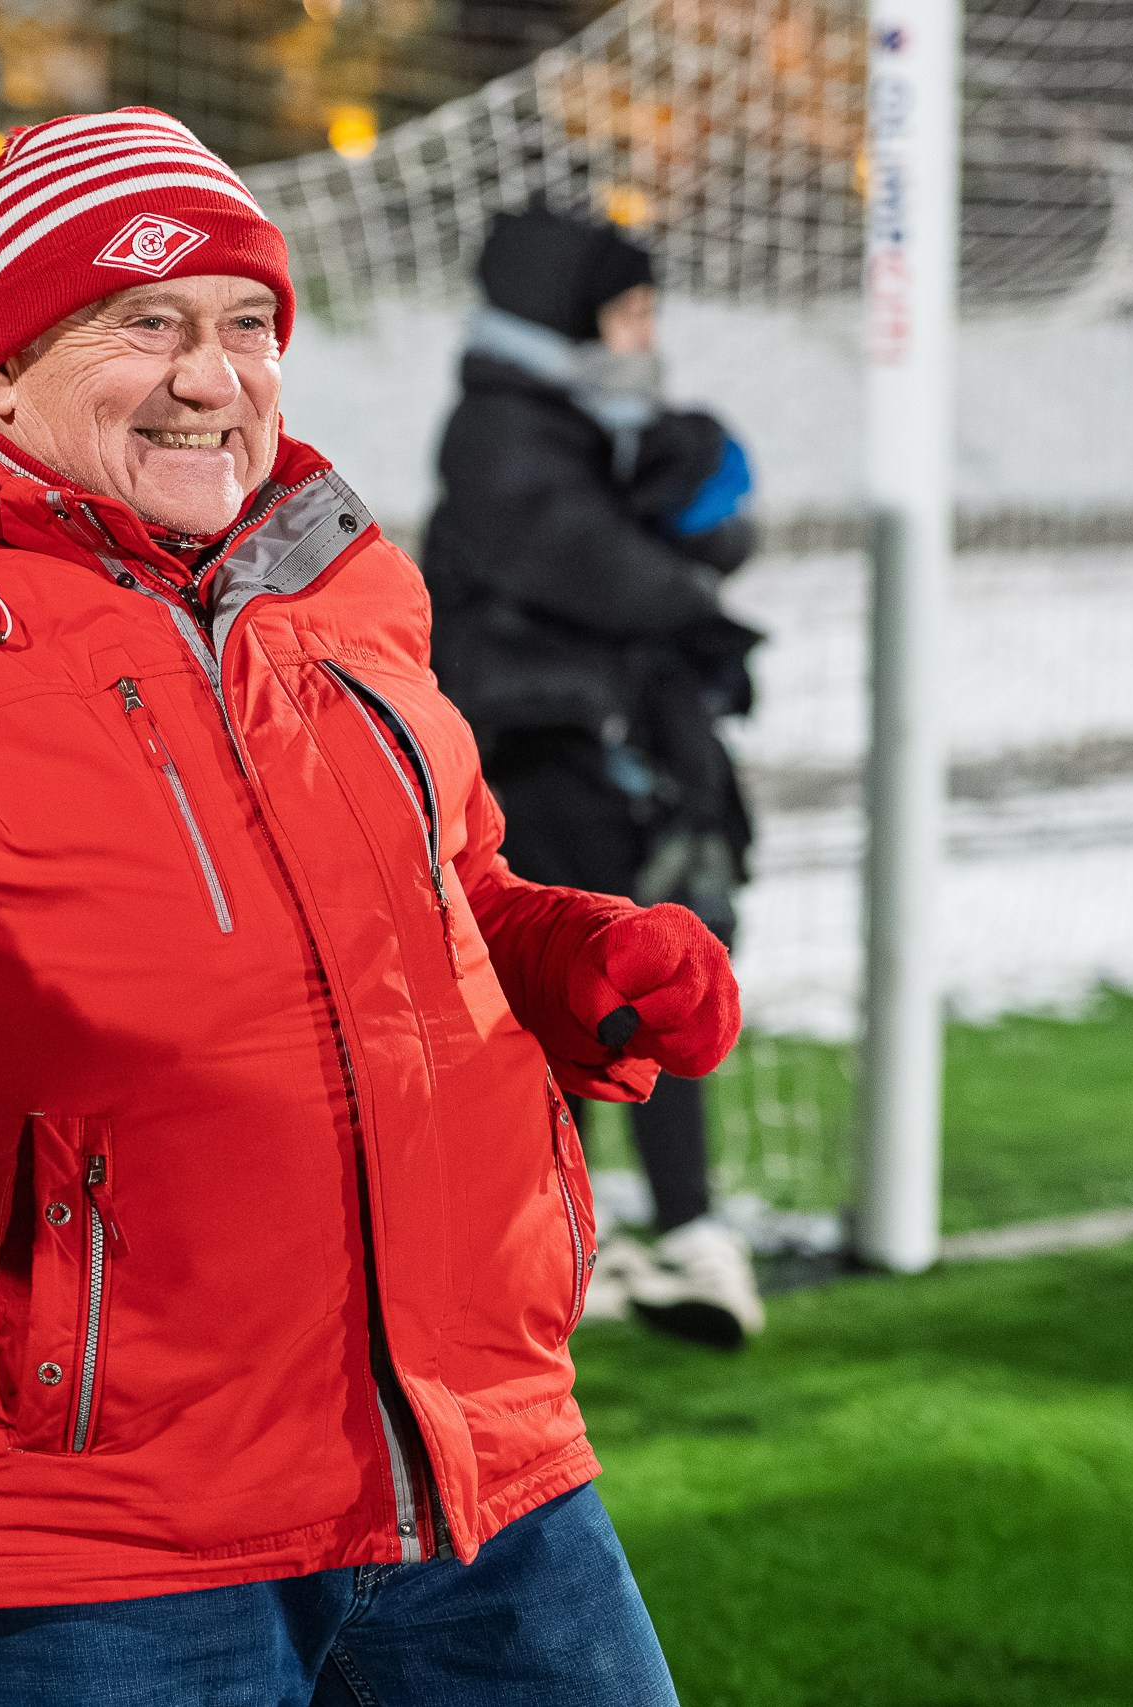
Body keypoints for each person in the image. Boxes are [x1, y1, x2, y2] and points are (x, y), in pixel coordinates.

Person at [0, 110, 739, 1705]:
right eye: (148, 323)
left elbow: (452, 891)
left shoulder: (337, 574)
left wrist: (571, 957)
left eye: (250, 324)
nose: (216, 375)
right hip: (116, 1539)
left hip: (485, 1465)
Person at [422, 209, 768, 1351]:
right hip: (536, 761)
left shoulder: (601, 424)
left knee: (651, 975)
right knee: (576, 994)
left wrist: (704, 491)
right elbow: (613, 575)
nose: (645, 331)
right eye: (626, 310)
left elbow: (712, 536)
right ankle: (575, 1237)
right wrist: (676, 550)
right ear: (563, 316)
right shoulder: (498, 431)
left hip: (622, 757)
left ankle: (676, 1231)